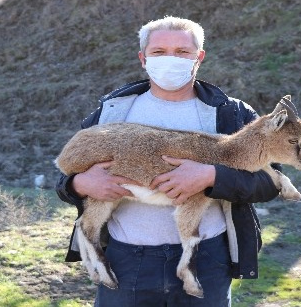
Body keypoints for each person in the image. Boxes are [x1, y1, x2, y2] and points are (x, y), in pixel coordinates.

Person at [56, 16, 282, 306]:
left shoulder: (230, 115)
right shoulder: (112, 113)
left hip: (207, 259)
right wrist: (79, 183)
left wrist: (212, 177)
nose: (170, 60)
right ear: (143, 58)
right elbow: (65, 178)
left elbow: (268, 183)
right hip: (126, 261)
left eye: (182, 52)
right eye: (159, 52)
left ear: (198, 57)